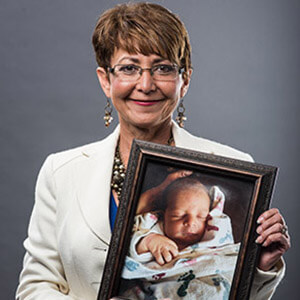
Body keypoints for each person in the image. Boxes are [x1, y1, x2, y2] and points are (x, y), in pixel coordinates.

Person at [16, 2, 290, 300]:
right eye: (129, 68)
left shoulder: (233, 170)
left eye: (163, 68)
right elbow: (35, 288)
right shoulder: (61, 172)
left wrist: (260, 266)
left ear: (184, 80)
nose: (145, 85)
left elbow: (224, 291)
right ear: (105, 80)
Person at [120, 177, 238, 299]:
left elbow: (228, 258)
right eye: (178, 215)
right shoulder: (155, 228)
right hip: (159, 288)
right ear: (164, 214)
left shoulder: (214, 235)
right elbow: (131, 246)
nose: (191, 222)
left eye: (201, 216)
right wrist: (149, 240)